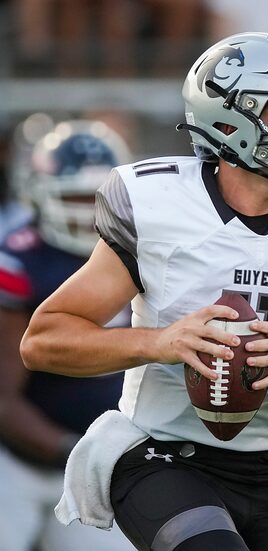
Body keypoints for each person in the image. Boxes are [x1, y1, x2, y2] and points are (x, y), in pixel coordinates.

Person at [19, 33, 268, 551]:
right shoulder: (159, 205)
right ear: (229, 122)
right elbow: (43, 340)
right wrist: (162, 342)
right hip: (158, 456)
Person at [0, 119, 135, 551]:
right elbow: (3, 396)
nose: (85, 210)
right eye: (74, 196)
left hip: (98, 462)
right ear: (39, 191)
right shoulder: (19, 262)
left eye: (94, 198)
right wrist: (67, 447)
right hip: (15, 459)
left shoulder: (140, 255)